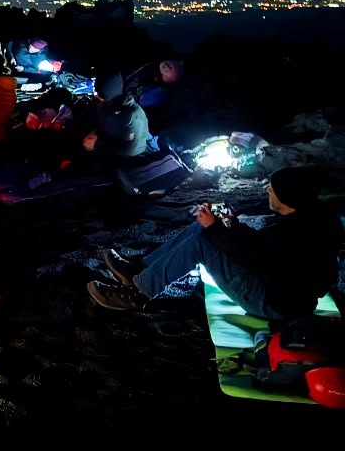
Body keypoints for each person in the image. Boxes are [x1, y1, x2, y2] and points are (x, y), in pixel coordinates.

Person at [88, 167, 344, 328]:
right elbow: (261, 249)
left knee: (204, 239)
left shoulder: (295, 233)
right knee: (203, 228)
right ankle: (140, 270)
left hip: (272, 303)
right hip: (276, 288)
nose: (267, 190)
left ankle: (138, 294)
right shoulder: (308, 220)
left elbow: (252, 256)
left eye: (273, 189)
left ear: (288, 199)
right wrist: (229, 227)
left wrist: (217, 230)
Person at [81, 72, 151, 161]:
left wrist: (97, 144)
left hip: (126, 158)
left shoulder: (132, 115)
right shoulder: (105, 104)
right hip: (106, 142)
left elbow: (132, 150)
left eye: (99, 94)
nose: (96, 96)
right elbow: (101, 120)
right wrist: (94, 133)